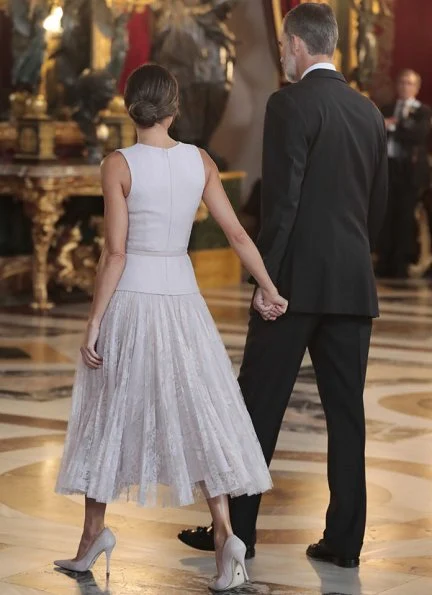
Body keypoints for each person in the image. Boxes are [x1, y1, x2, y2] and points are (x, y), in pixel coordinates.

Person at [54, 64, 288, 592]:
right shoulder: (199, 161)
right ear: (174, 108)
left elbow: (114, 254)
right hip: (184, 301)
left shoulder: (117, 164)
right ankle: (226, 536)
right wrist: (269, 287)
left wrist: (93, 321)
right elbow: (237, 235)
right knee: (199, 411)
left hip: (133, 300)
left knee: (108, 413)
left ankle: (92, 537)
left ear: (128, 107)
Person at [178, 2, 388, 569]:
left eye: (281, 48)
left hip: (289, 286)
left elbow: (284, 202)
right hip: (351, 286)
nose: (281, 55)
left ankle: (236, 532)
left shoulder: (288, 102)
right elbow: (378, 209)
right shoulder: (369, 113)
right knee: (347, 417)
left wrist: (265, 280)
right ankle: (344, 542)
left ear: (296, 45)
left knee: (257, 408)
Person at [376, 69, 432, 278]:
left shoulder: (422, 111)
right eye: (402, 82)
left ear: (416, 87)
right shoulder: (387, 108)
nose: (405, 87)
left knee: (405, 217)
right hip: (389, 169)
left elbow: (417, 135)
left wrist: (393, 126)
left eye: (410, 83)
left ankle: (402, 262)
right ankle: (384, 260)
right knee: (386, 215)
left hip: (410, 172)